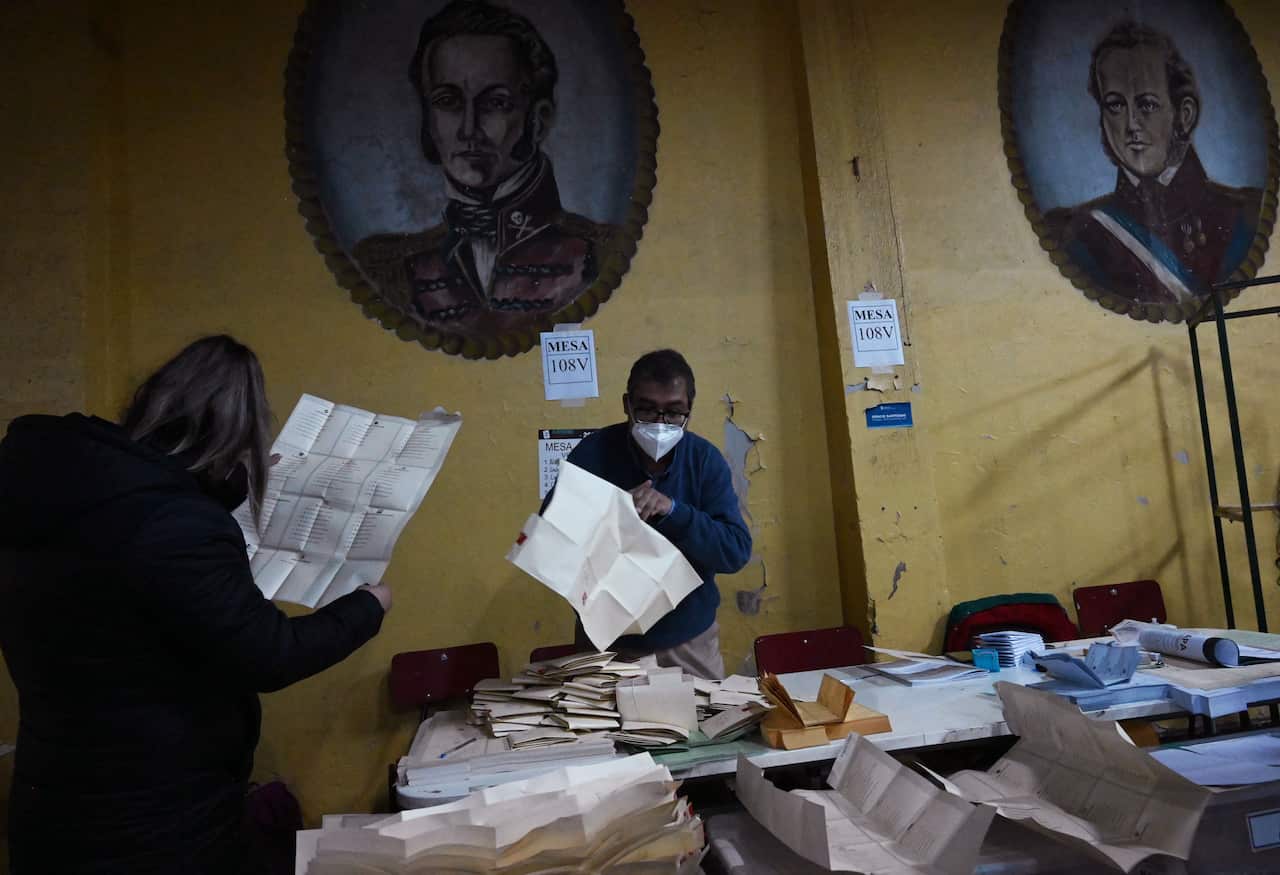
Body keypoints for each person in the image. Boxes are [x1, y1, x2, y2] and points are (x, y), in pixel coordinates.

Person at [0, 336, 391, 874]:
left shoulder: (64, 489)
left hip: (58, 801)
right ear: (236, 432)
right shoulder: (173, 524)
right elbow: (271, 654)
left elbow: (130, 594)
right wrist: (368, 606)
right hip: (151, 825)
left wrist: (220, 491)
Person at [354, 0, 619, 342]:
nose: (468, 129)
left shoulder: (600, 251)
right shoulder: (385, 266)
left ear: (539, 118)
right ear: (427, 119)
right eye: (447, 101)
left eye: (495, 103)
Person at [550, 350, 751, 679]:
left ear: (689, 411)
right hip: (605, 642)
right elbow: (551, 542)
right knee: (599, 731)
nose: (660, 423)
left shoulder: (704, 460)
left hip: (686, 640)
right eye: (646, 409)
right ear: (627, 404)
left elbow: (735, 551)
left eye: (673, 412)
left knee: (702, 729)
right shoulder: (591, 453)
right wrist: (608, 513)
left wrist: (672, 511)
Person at [1044, 21, 1262, 307]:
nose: (1131, 124)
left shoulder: (1245, 214)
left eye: (1146, 104)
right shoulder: (1075, 233)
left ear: (1183, 114)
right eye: (1115, 105)